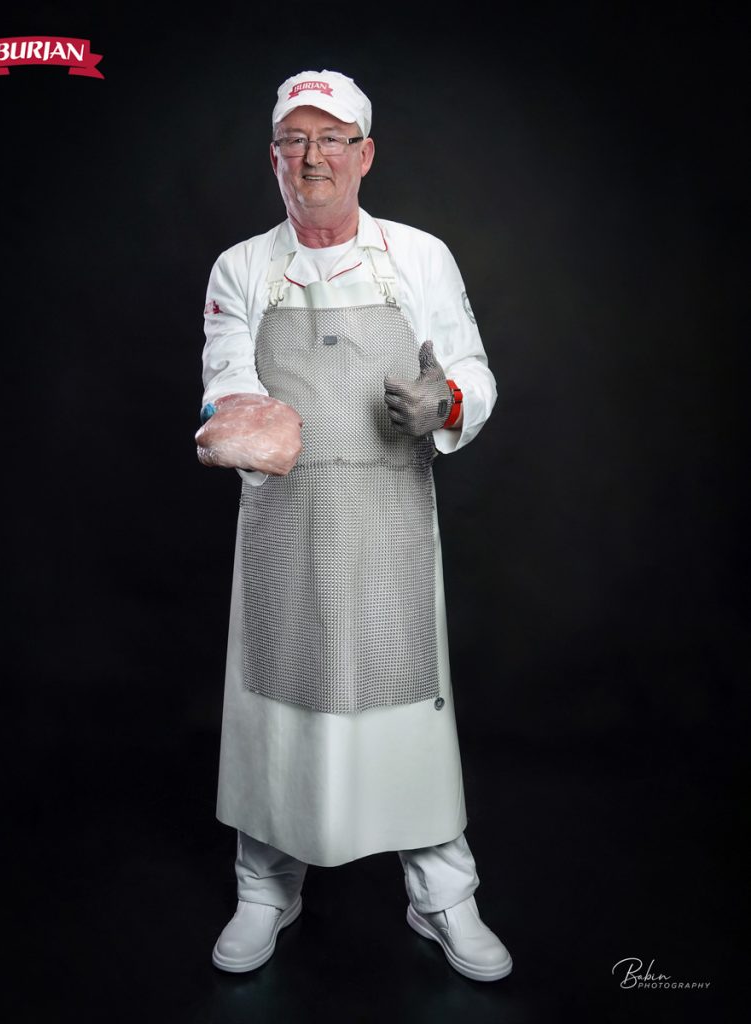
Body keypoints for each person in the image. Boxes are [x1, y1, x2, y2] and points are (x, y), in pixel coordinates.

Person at [196, 69, 512, 982]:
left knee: (406, 710)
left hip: (387, 522)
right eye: (294, 140)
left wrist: (444, 401)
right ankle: (265, 888)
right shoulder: (241, 267)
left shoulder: (417, 256)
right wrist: (238, 419)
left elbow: (472, 371)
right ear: (273, 158)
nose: (313, 158)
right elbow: (225, 374)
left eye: (331, 139)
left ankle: (442, 895)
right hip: (283, 523)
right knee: (275, 707)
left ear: (364, 154)